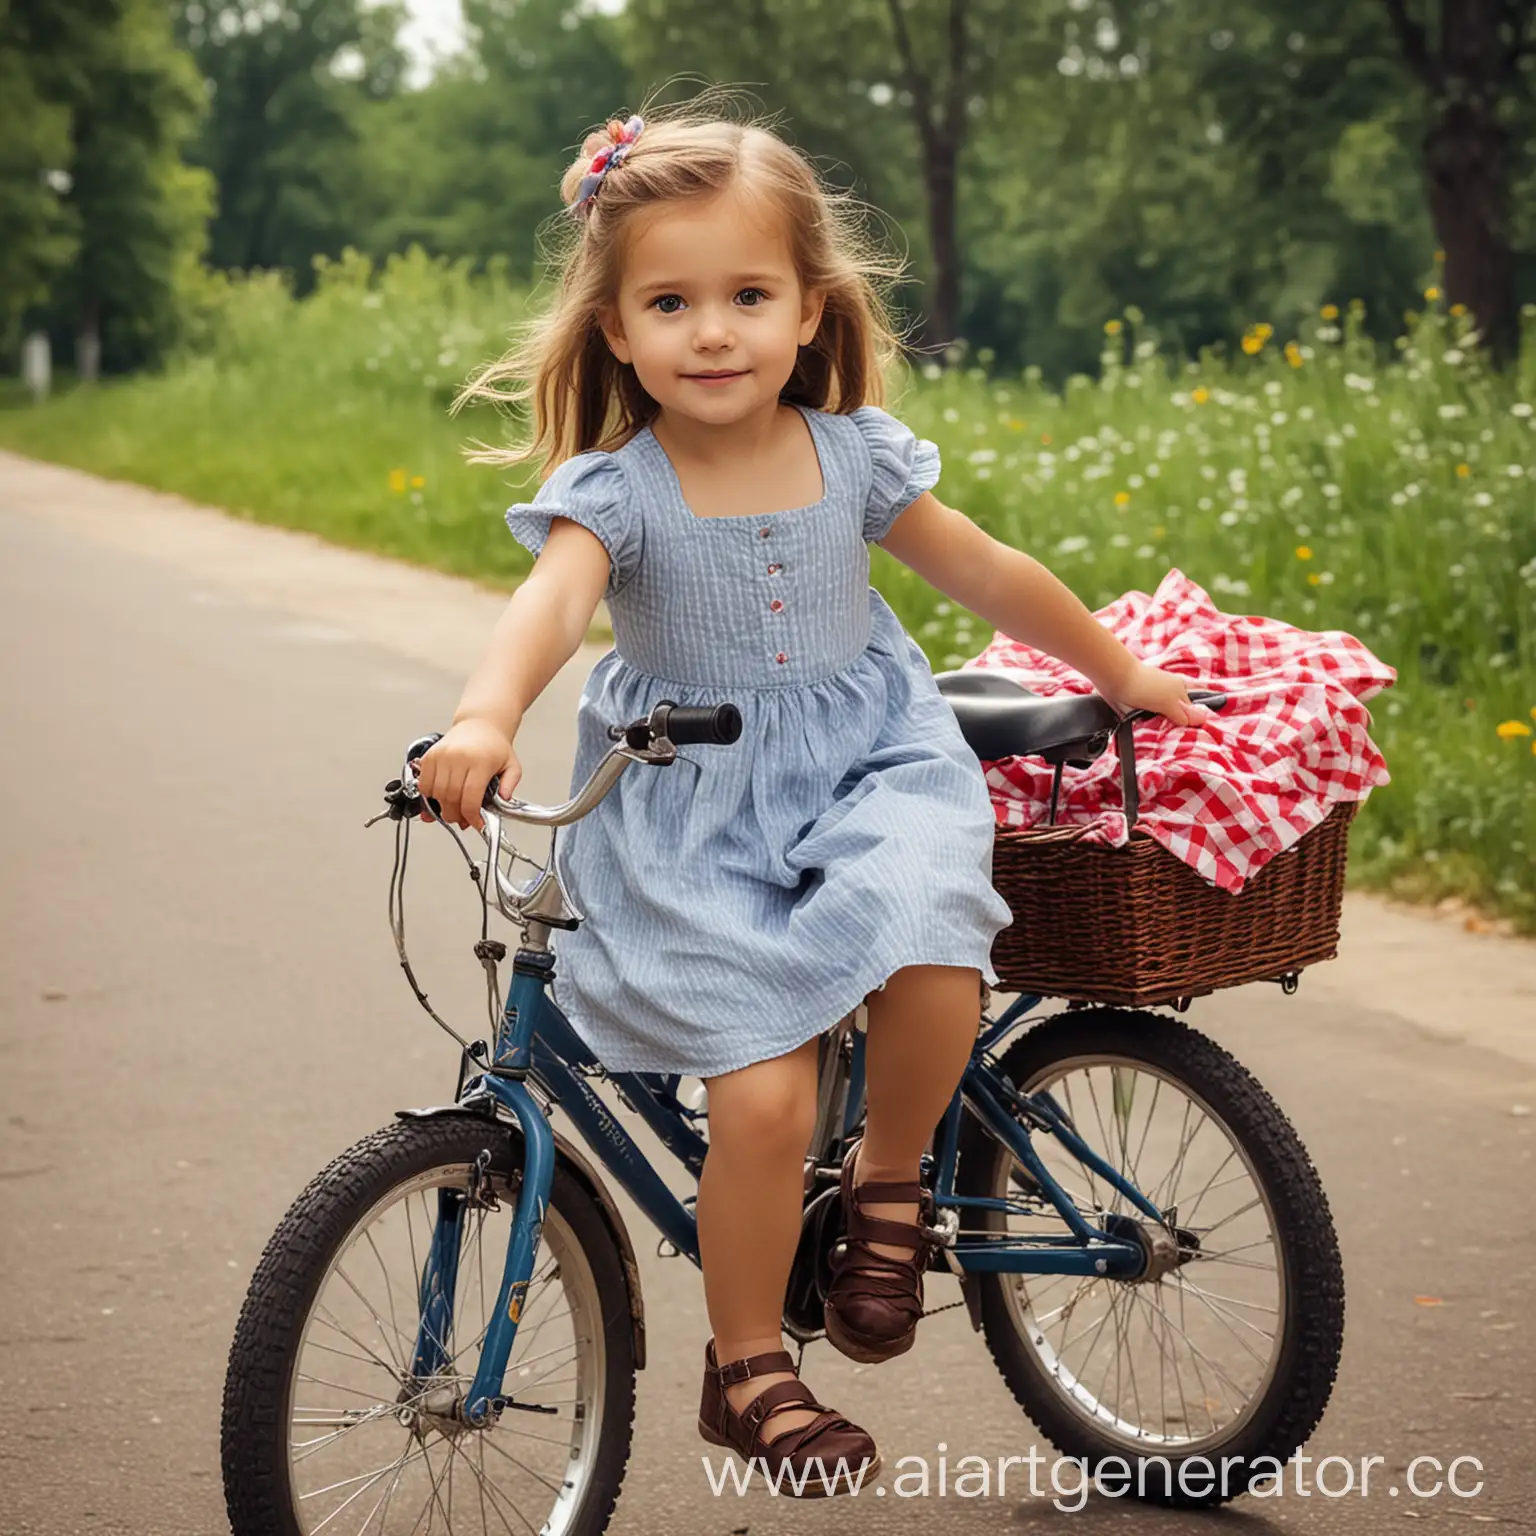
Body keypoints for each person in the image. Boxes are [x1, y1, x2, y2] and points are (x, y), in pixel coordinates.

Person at [415, 92, 1213, 1494]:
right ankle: (748, 1373)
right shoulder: (619, 490)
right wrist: (486, 716)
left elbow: (987, 573)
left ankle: (890, 1190)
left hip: (869, 765)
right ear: (616, 328)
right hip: (690, 807)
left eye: (746, 295)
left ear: (805, 308)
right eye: (670, 301)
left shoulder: (850, 456)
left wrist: (1120, 668)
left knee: (929, 931)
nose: (711, 331)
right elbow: (548, 609)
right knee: (766, 1102)